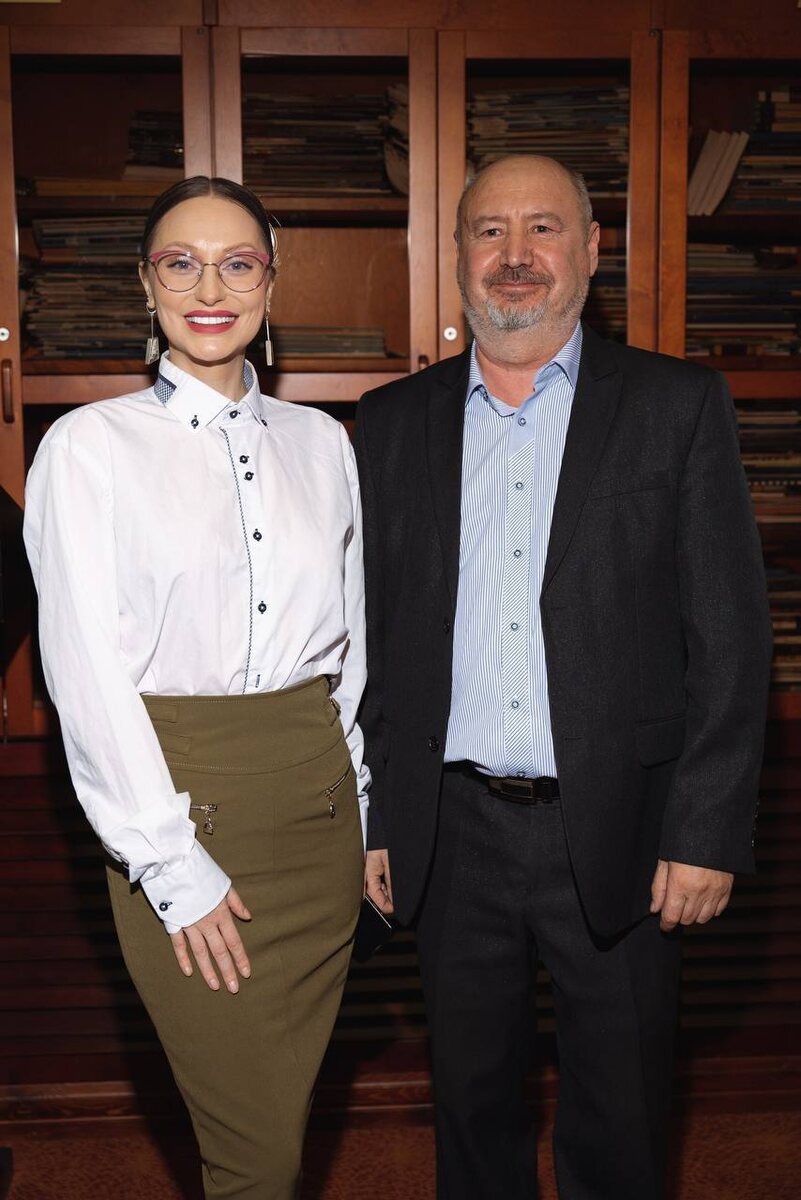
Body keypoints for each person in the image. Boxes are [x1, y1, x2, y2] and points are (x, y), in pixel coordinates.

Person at [354, 154, 771, 1199]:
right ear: (457, 255)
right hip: (450, 834)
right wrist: (377, 817)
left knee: (621, 1123)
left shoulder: (677, 405)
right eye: (489, 231)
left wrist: (704, 830)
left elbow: (729, 637)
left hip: (624, 828)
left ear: (591, 249)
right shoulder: (390, 422)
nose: (515, 255)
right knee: (471, 1117)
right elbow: (371, 638)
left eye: (542, 228)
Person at [24, 176, 367, 1200]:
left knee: (285, 1127)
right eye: (181, 263)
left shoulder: (324, 444)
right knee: (253, 1152)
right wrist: (171, 865)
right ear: (146, 283)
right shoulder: (88, 448)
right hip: (182, 818)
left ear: (271, 280)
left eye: (237, 263)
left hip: (321, 823)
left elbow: (350, 653)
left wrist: (366, 809)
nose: (209, 288)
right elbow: (85, 676)